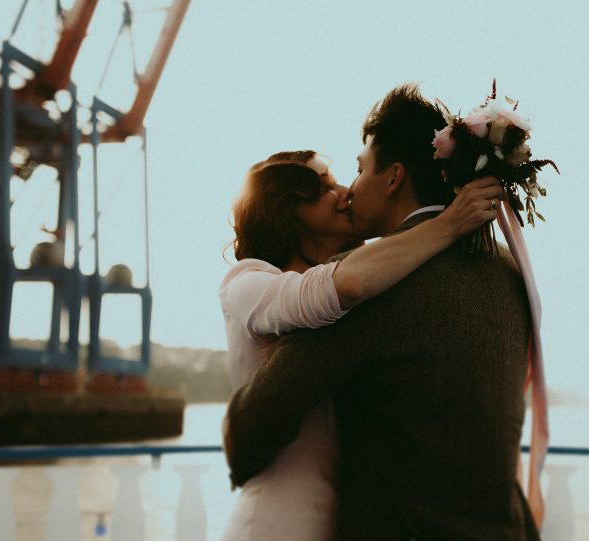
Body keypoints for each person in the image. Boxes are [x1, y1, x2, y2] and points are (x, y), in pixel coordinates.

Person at [224, 84, 541, 540]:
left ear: (393, 178)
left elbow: (260, 417)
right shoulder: (507, 269)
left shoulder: (372, 281)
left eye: (357, 170)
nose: (349, 190)